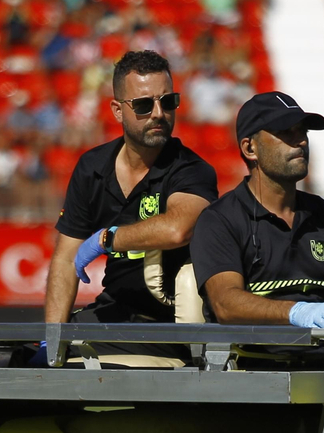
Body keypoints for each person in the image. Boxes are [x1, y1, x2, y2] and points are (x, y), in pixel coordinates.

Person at [43, 50, 218, 367]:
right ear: (117, 111)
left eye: (168, 102)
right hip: (113, 313)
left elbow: (178, 229)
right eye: (143, 105)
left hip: (169, 328)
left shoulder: (192, 170)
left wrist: (106, 239)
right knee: (15, 363)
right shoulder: (92, 167)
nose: (158, 114)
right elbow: (65, 260)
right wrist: (54, 342)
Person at [188, 92, 324, 331]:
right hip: (255, 355)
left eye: (302, 132)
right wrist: (294, 311)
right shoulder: (220, 219)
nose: (301, 141)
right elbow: (226, 304)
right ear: (250, 148)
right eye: (286, 132)